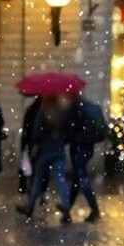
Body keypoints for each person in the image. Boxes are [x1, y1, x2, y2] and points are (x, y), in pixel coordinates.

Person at [16, 95, 72, 223]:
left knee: (38, 179)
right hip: (59, 150)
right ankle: (66, 206)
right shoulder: (62, 113)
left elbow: (37, 132)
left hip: (45, 150)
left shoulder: (43, 112)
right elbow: (68, 131)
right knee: (60, 179)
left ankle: (30, 206)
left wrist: (36, 144)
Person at [63, 91, 107, 222]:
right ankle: (67, 209)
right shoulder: (89, 106)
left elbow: (69, 129)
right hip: (88, 146)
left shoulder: (75, 108)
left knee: (81, 178)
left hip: (78, 146)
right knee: (77, 178)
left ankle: (94, 209)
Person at [18, 96, 42, 194]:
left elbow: (25, 129)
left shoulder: (31, 110)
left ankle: (31, 187)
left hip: (32, 143)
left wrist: (23, 145)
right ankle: (40, 190)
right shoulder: (46, 112)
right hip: (42, 144)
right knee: (41, 167)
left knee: (32, 165)